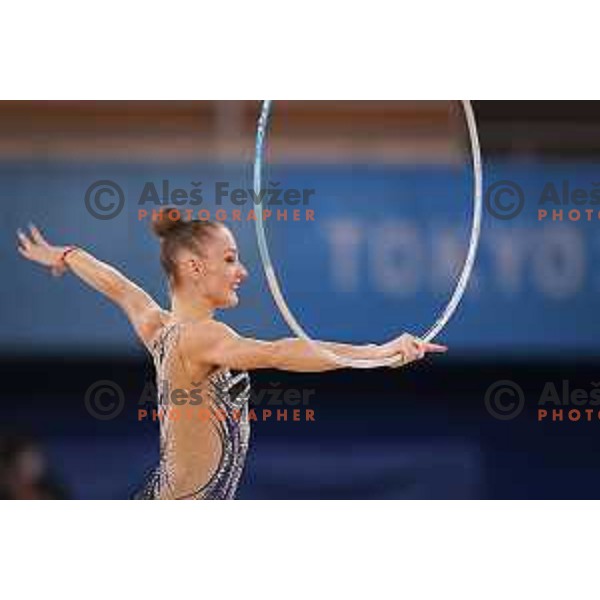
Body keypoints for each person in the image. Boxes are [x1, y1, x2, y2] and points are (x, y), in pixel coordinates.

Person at [16, 209, 447, 499]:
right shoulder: (200, 338)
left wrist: (68, 255)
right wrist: (378, 352)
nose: (241, 271)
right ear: (195, 268)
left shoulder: (159, 327)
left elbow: (120, 288)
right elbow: (279, 352)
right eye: (229, 259)